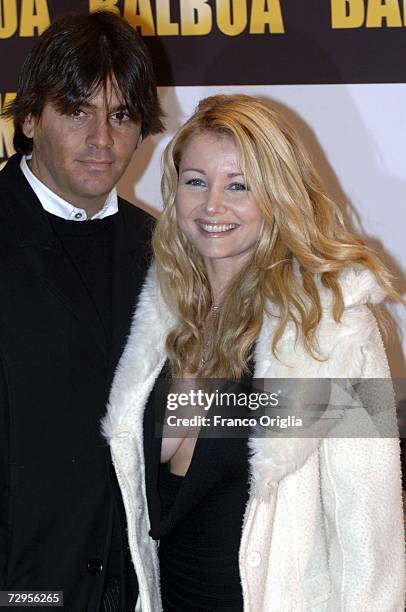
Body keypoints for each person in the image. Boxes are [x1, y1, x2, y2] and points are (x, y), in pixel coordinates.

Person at [104, 95, 405, 611]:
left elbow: (371, 534)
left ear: (277, 194)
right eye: (196, 180)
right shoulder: (162, 311)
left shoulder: (334, 325)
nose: (212, 205)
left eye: (238, 185)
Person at [0, 11, 163, 612]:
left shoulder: (170, 250)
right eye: (78, 111)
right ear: (31, 116)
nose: (103, 139)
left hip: (145, 590)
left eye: (121, 115)